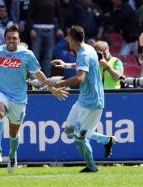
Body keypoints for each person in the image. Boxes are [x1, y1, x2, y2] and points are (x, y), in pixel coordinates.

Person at [0, 24, 67, 172]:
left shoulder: (27, 55)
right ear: (5, 39)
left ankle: (12, 154)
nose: (11, 41)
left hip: (19, 98)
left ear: (19, 39)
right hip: (0, 90)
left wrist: (51, 88)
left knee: (13, 133)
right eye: (9, 38)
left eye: (14, 38)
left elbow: (38, 74)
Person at [49, 25, 115, 173]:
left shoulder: (84, 53)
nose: (67, 40)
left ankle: (92, 167)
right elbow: (84, 66)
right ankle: (106, 140)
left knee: (79, 138)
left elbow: (80, 78)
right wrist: (66, 65)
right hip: (83, 100)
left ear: (71, 38)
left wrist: (59, 83)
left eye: (68, 37)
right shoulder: (87, 49)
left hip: (93, 103)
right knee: (68, 131)